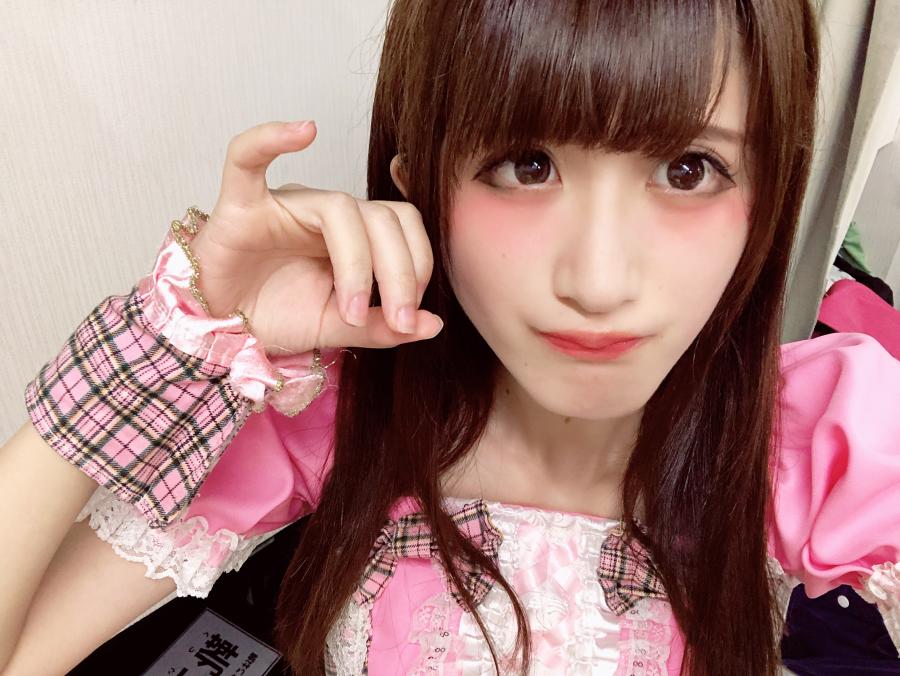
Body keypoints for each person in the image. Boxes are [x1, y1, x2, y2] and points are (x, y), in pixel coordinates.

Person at [1, 0, 898, 674]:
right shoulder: (341, 409)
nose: (598, 282)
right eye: (527, 165)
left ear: (766, 195)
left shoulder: (826, 434)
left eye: (689, 169)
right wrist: (176, 324)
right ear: (420, 184)